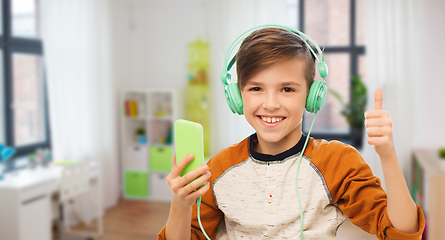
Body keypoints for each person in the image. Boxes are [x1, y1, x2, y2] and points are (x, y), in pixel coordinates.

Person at [158, 26, 425, 240]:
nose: (271, 103)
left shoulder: (337, 162)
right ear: (237, 97)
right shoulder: (220, 167)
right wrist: (180, 205)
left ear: (312, 97)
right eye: (256, 88)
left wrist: (386, 153)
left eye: (287, 89)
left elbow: (401, 233)